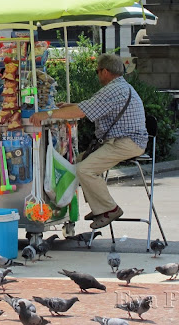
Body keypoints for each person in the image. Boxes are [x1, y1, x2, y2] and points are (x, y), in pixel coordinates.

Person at [30, 53, 148, 229]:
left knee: (83, 169)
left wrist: (47, 114)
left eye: (97, 71)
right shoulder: (119, 87)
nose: (97, 74)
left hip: (126, 142)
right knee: (77, 163)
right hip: (123, 140)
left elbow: (82, 112)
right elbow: (91, 106)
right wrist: (69, 107)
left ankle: (109, 209)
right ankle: (98, 206)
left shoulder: (113, 89)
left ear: (105, 71)